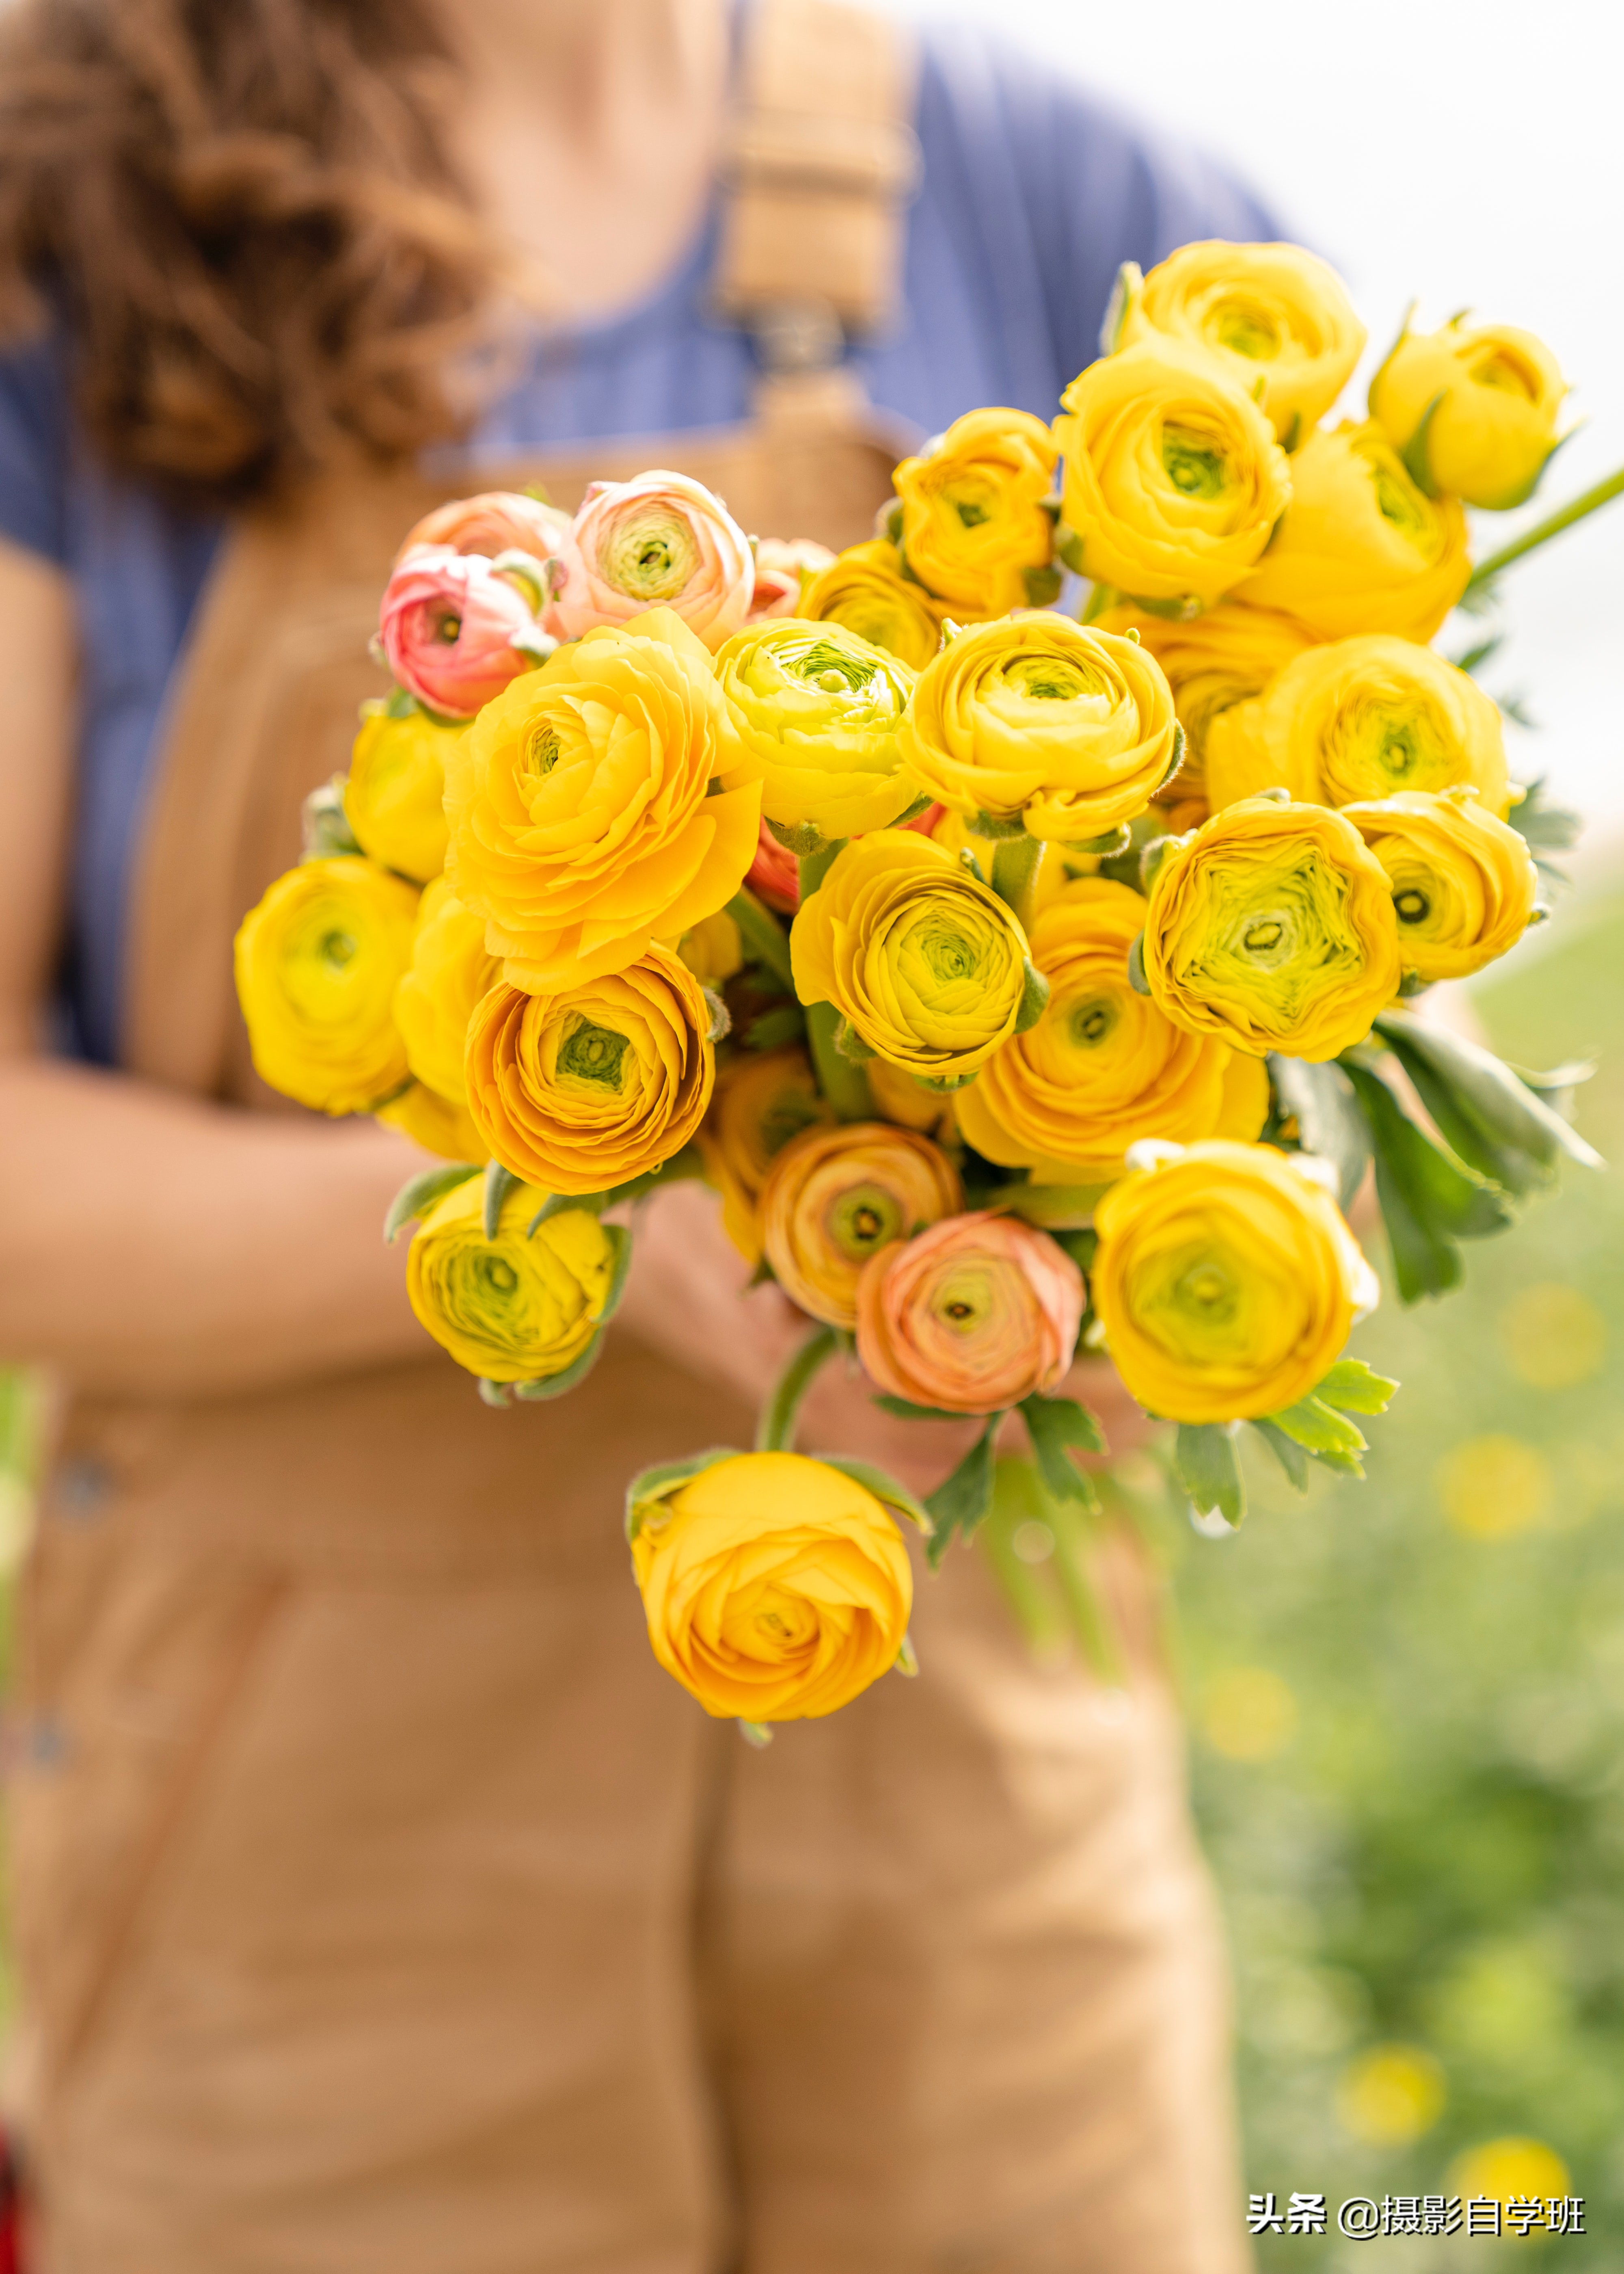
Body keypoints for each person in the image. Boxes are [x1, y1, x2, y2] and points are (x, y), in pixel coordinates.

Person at [0, 2, 1277, 2268]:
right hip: (298, 1851)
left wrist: (1138, 1219)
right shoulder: (54, 229)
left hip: (974, 1824)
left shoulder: (1087, 217)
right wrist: (548, 1205)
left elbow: (1356, 973)